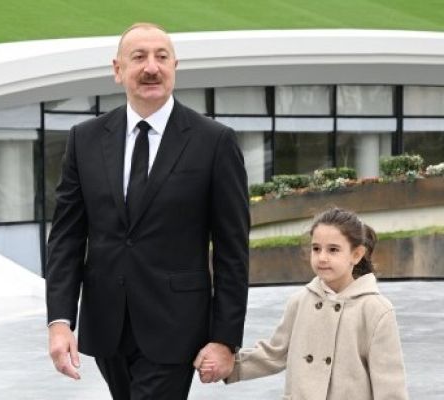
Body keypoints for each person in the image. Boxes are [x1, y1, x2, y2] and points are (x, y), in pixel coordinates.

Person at [45, 22, 250, 399]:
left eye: (161, 57)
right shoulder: (84, 140)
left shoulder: (214, 142)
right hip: (107, 325)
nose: (151, 67)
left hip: (177, 327)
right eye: (138, 57)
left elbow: (232, 250)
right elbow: (66, 238)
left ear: (175, 66)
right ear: (118, 69)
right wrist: (60, 322)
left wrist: (225, 339)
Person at [198, 207, 408, 399]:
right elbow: (274, 354)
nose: (322, 257)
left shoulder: (376, 310)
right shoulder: (300, 302)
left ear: (356, 254)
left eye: (333, 249)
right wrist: (227, 365)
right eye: (316, 248)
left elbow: (389, 383)